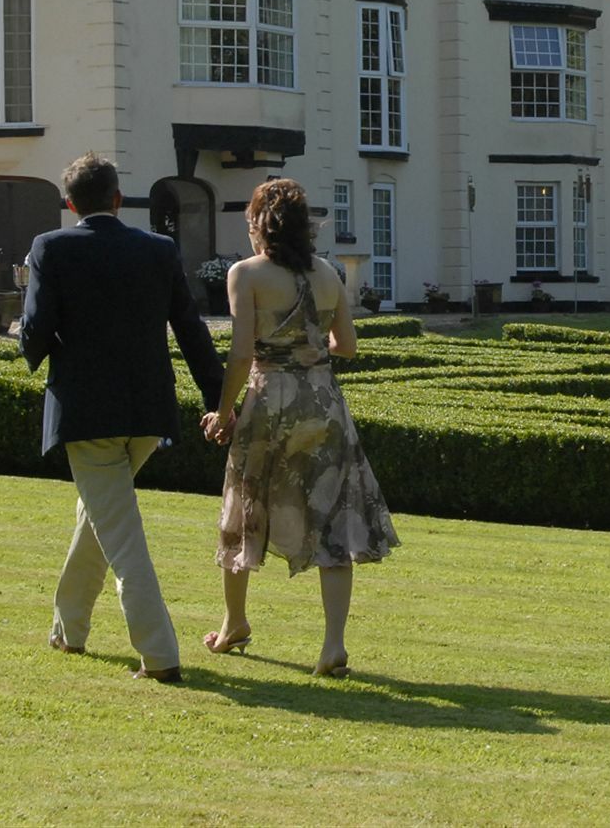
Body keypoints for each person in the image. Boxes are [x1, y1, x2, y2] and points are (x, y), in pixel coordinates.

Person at [20, 153, 224, 684]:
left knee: (121, 536)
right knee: (101, 520)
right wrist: (218, 399)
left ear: (70, 204)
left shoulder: (51, 246)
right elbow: (192, 330)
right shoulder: (159, 249)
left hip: (86, 413)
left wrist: (33, 342)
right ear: (117, 198)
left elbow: (35, 333)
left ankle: (160, 655)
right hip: (149, 413)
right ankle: (69, 630)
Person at [199, 178, 398, 678]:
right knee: (334, 518)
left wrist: (223, 413)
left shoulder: (246, 274)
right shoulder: (329, 273)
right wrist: (308, 355)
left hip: (271, 400)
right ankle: (333, 645)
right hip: (324, 400)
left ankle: (234, 623)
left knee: (243, 510)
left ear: (258, 225)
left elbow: (242, 354)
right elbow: (347, 346)